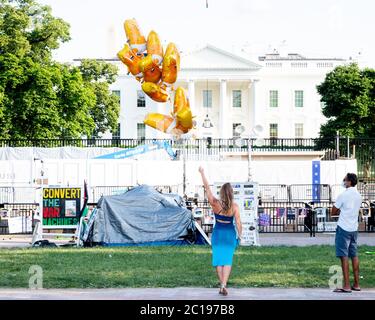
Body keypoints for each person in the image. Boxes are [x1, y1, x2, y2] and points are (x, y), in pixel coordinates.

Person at [198, 166, 242, 296]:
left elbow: (207, 187)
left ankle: (221, 285)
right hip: (229, 235)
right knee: (227, 260)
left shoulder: (214, 203)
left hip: (217, 234)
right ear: (231, 193)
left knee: (218, 260)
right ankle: (223, 285)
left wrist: (202, 173)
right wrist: (240, 235)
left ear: (222, 192)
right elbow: (238, 223)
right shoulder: (234, 206)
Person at [331, 173, 362, 293]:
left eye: (345, 180)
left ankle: (347, 286)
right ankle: (357, 284)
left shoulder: (343, 195)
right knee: (354, 256)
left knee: (344, 257)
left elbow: (333, 211)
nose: (343, 181)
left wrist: (340, 211)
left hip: (343, 228)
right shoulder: (359, 196)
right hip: (354, 228)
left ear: (349, 182)